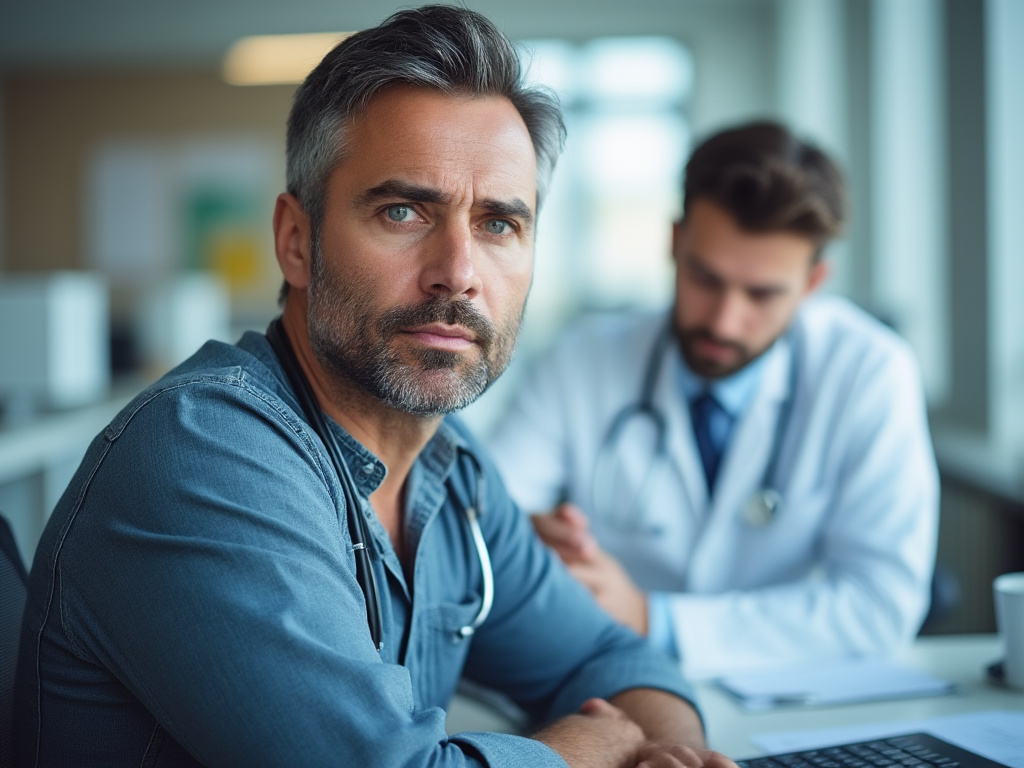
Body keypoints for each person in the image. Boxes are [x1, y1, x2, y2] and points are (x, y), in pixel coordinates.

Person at [13, 7, 737, 768]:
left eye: (498, 225)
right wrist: (582, 751)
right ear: (297, 240)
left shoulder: (453, 476)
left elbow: (615, 659)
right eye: (403, 211)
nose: (458, 272)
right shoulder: (200, 454)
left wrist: (672, 754)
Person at [487, 121, 939, 679]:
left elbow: (879, 607)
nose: (724, 321)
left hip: (793, 691)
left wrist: (654, 617)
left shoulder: (869, 371)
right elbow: (485, 516)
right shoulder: (581, 360)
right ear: (674, 243)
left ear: (814, 282)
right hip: (609, 678)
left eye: (762, 294)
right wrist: (523, 537)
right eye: (705, 278)